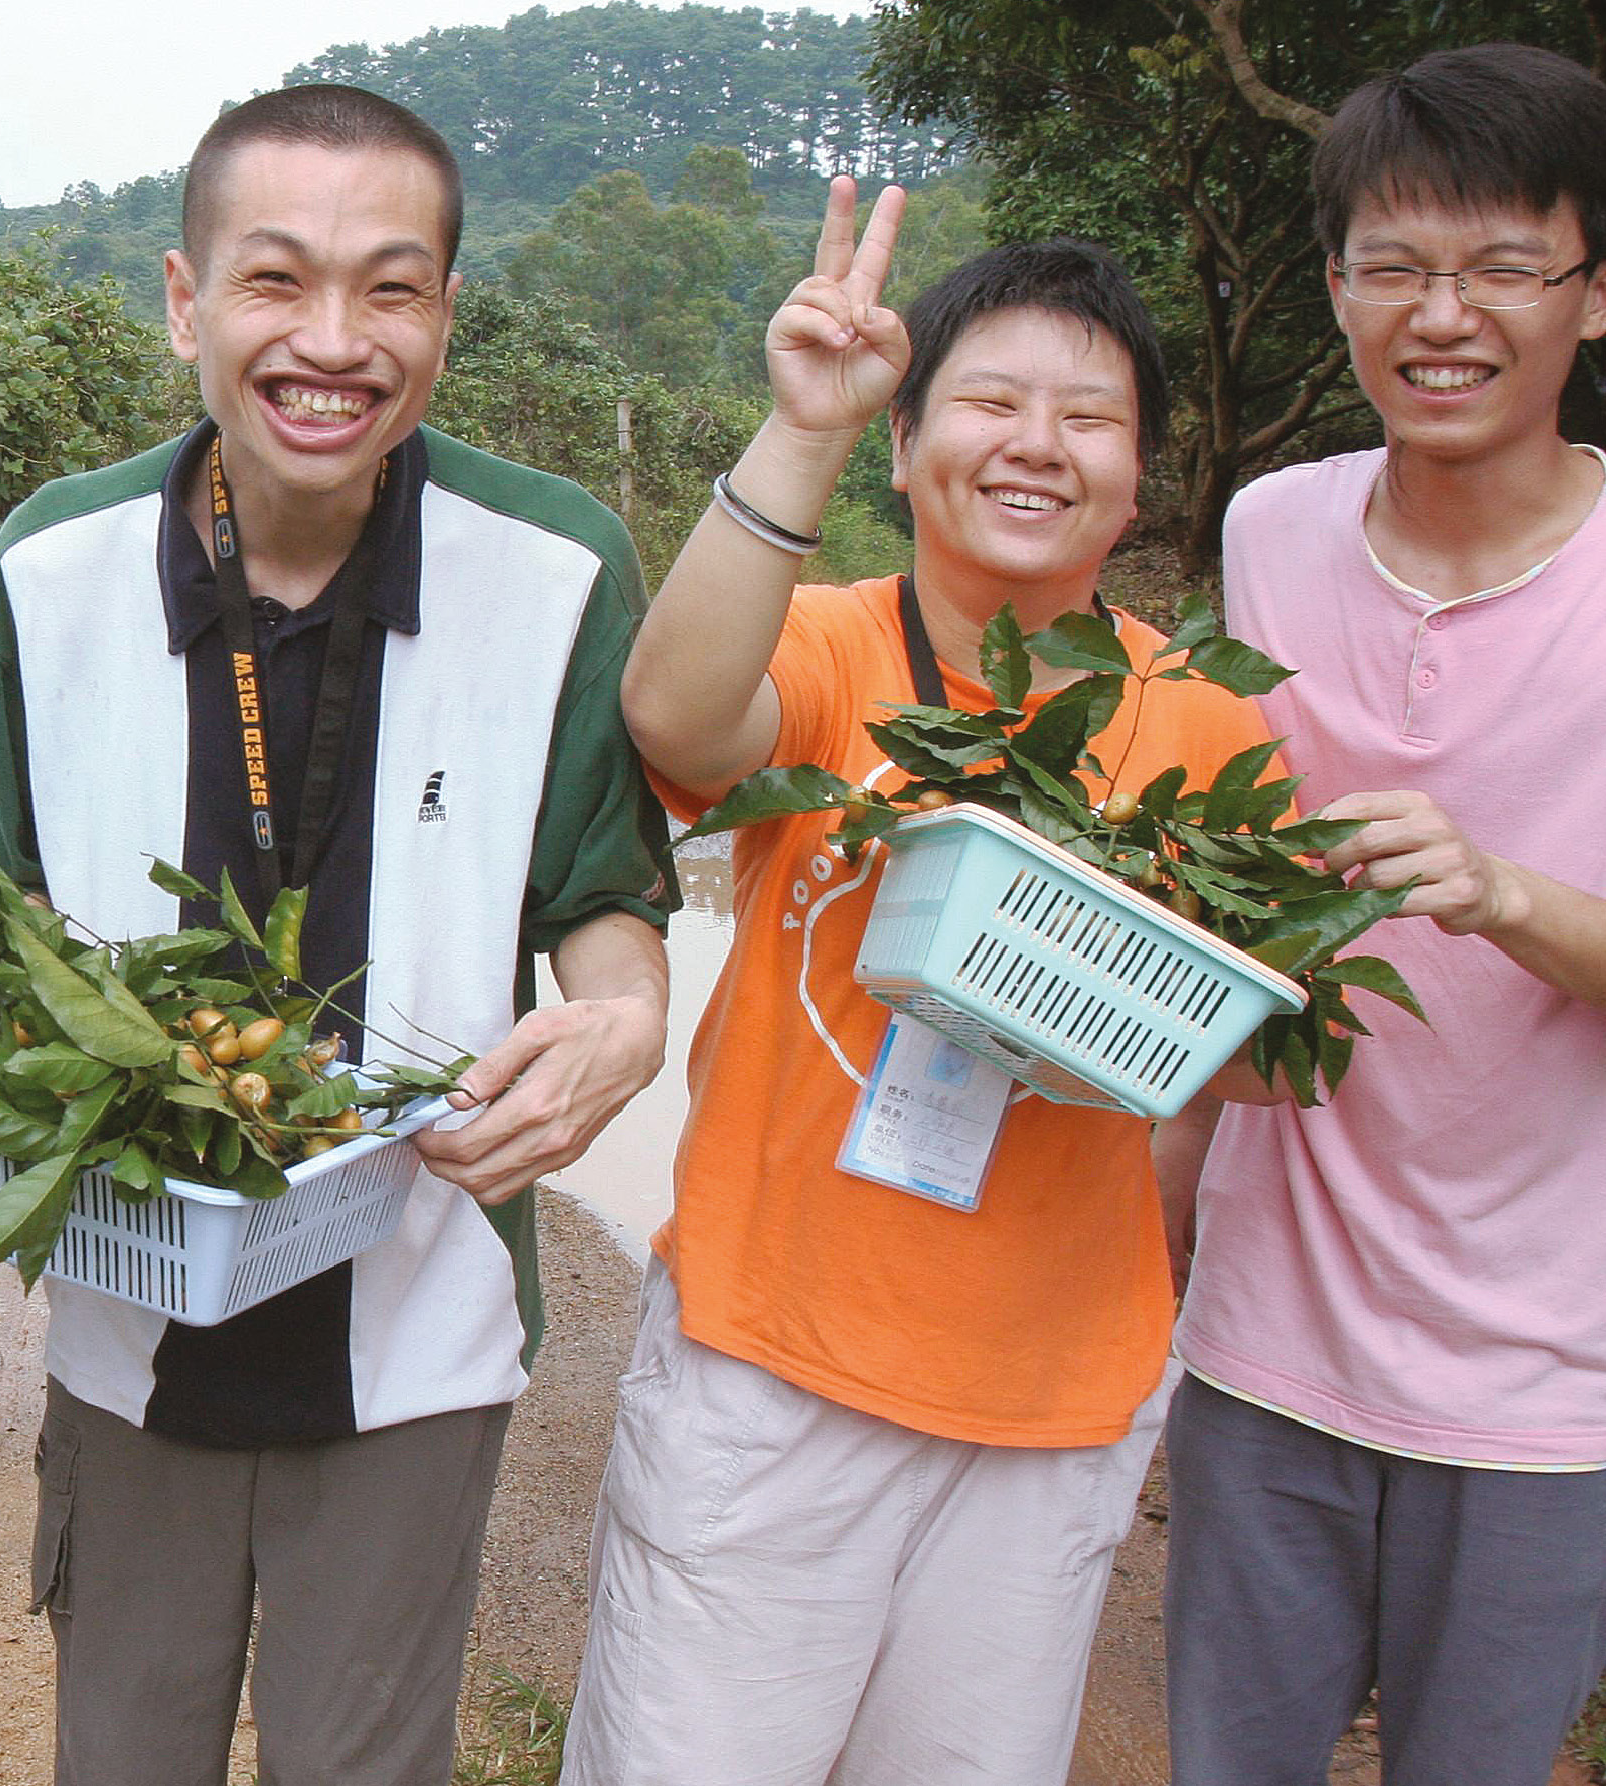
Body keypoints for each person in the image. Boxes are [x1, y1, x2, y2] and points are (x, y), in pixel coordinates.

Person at [0, 84, 675, 1786]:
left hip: (416, 1319)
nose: (332, 341)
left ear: (445, 312)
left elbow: (602, 902)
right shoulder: (52, 566)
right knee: (121, 1750)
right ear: (183, 300)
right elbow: (0, 932)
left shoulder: (553, 566)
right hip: (131, 1323)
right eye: (275, 281)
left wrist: (625, 1023)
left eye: (391, 286)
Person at [575, 198, 1293, 1785]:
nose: (1036, 442)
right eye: (988, 400)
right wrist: (795, 427)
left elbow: (1271, 1056)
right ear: (904, 450)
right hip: (769, 1366)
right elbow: (681, 718)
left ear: (1138, 480)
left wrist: (1145, 1007)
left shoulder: (1197, 725)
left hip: (1049, 1403)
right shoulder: (832, 646)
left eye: (1088, 416)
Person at [1164, 45, 1606, 1784]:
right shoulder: (1269, 531)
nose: (1442, 314)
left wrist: (1496, 891)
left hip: (1543, 1377)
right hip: (1265, 1334)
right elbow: (1212, 888)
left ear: (1603, 289)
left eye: (1500, 266)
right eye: (1392, 266)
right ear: (1335, 286)